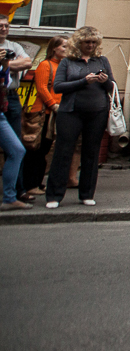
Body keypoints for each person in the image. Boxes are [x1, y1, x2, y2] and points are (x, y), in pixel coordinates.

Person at [43, 26, 112, 209]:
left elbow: (112, 87)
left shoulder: (102, 61)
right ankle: (54, 196)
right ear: (79, 43)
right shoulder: (68, 62)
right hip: (70, 112)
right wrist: (84, 81)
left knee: (91, 153)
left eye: (93, 42)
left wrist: (105, 81)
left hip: (97, 112)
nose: (90, 45)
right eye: (86, 42)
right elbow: (58, 87)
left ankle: (87, 194)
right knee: (63, 152)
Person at [20, 36, 68, 201]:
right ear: (54, 48)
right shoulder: (45, 65)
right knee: (36, 149)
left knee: (45, 150)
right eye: (64, 46)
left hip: (54, 113)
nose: (66, 49)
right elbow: (41, 87)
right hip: (42, 113)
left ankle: (37, 183)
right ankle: (30, 185)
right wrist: (53, 104)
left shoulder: (62, 66)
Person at [0, 16, 34, 211]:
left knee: (17, 147)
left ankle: (13, 195)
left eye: (6, 25)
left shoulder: (13, 45)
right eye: (0, 26)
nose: (4, 28)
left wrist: (6, 63)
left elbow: (27, 63)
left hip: (8, 99)